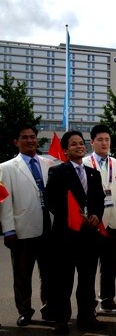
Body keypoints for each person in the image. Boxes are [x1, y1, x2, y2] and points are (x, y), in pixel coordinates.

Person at [44, 130, 106, 334]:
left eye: (81, 143)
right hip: (66, 236)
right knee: (64, 281)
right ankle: (61, 320)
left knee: (87, 281)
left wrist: (97, 214)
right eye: (73, 144)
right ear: (65, 150)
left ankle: (86, 317)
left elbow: (98, 201)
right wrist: (72, 216)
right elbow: (51, 201)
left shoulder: (93, 173)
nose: (79, 146)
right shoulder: (58, 172)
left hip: (89, 236)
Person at [0, 124, 54, 327]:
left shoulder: (49, 163)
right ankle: (24, 311)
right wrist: (9, 229)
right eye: (25, 137)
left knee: (48, 273)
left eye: (33, 136)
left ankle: (48, 308)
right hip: (22, 230)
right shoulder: (6, 168)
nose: (30, 140)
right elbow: (4, 201)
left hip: (48, 228)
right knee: (22, 275)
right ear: (16, 141)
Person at [83, 124, 116, 313]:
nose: (104, 143)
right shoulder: (83, 163)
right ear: (92, 142)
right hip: (91, 222)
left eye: (107, 140)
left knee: (109, 265)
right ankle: (88, 303)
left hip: (113, 221)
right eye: (100, 140)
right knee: (89, 265)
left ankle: (108, 300)